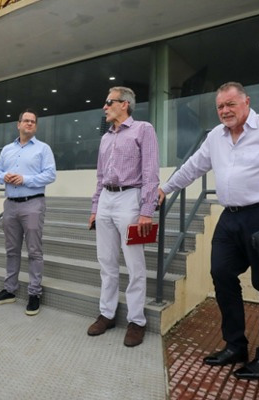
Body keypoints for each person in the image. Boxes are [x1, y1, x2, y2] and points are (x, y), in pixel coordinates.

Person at [159, 82, 259, 379]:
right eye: (220, 107)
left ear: (246, 102)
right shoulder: (215, 136)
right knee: (221, 274)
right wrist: (165, 188)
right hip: (230, 218)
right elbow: (193, 167)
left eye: (231, 104)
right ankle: (235, 345)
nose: (225, 111)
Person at [87, 86, 159, 347]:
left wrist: (146, 211)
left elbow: (151, 172)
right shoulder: (105, 138)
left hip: (131, 197)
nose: (105, 107)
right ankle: (107, 314)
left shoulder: (143, 129)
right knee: (106, 261)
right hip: (106, 198)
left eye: (109, 102)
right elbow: (99, 176)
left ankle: (136, 320)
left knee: (134, 264)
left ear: (124, 104)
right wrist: (95, 208)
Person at [0, 109, 56, 315]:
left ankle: (34, 293)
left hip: (32, 203)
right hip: (10, 205)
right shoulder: (7, 149)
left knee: (34, 250)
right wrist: (4, 176)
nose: (29, 124)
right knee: (11, 249)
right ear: (18, 124)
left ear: (35, 126)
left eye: (33, 122)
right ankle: (10, 290)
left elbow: (51, 175)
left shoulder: (43, 149)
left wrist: (25, 179)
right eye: (25, 121)